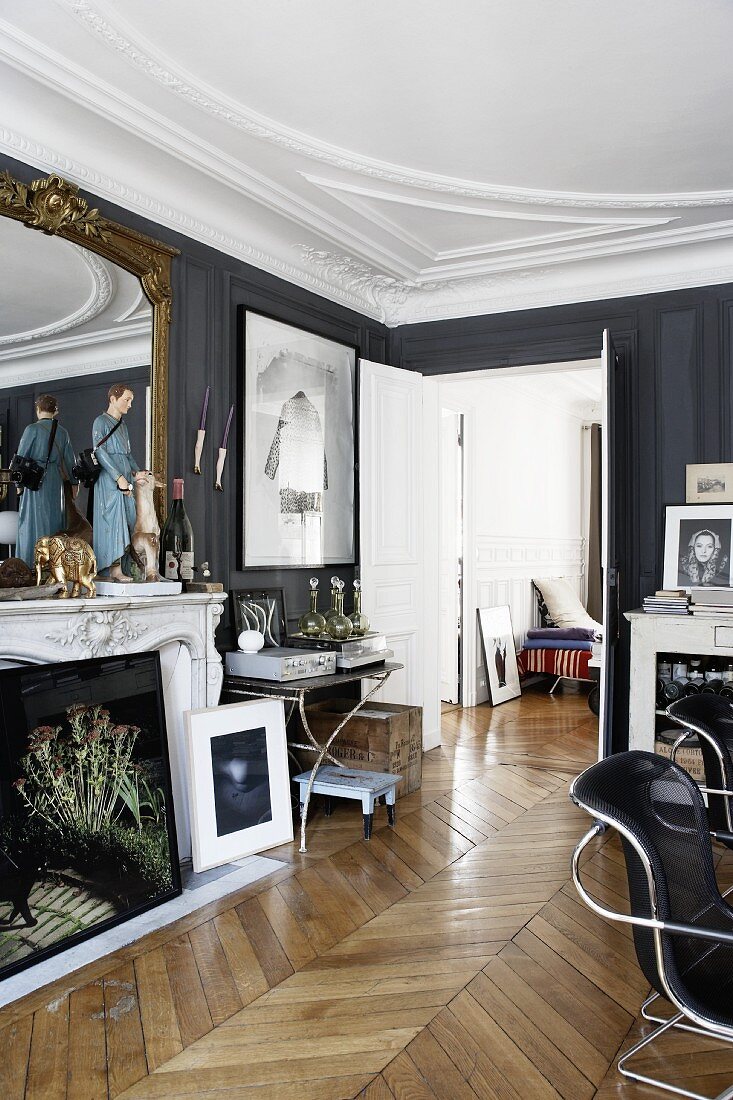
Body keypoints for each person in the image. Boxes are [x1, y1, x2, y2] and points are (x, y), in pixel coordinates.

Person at [15, 394, 77, 569]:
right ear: (55, 411)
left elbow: (20, 459)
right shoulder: (63, 432)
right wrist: (74, 483)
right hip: (55, 481)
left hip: (35, 479)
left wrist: (18, 485)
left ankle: (29, 565)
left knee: (30, 521)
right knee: (55, 521)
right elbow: (70, 461)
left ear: (37, 409)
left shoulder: (31, 430)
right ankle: (54, 567)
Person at [92, 383, 147, 582]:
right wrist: (119, 477)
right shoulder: (100, 422)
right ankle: (112, 569)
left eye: (131, 400)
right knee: (114, 522)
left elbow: (128, 454)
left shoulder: (122, 425)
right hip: (109, 481)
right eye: (127, 399)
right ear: (113, 399)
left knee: (129, 518)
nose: (130, 404)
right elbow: (100, 451)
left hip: (124, 478)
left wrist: (137, 472)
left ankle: (124, 565)